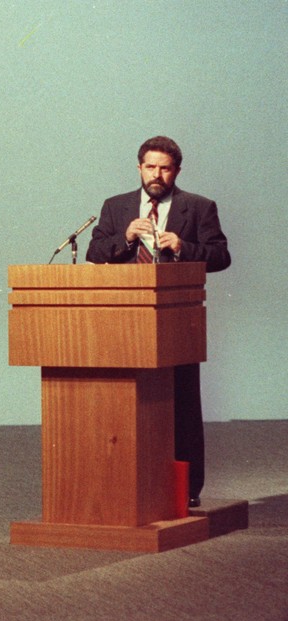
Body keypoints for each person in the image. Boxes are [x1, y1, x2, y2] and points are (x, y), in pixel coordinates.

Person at [86, 135, 231, 507]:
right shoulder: (115, 207)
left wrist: (183, 247)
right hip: (124, 320)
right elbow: (94, 252)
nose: (157, 174)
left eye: (165, 168)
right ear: (139, 168)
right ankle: (129, 484)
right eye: (150, 166)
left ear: (176, 171)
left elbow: (220, 256)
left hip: (175, 323)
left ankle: (186, 489)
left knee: (181, 404)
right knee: (129, 403)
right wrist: (126, 237)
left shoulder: (198, 208)